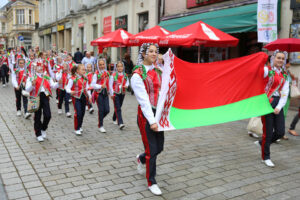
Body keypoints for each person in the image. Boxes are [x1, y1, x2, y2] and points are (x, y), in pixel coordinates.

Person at [131, 43, 164, 195]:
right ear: (143, 54)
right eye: (150, 51)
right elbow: (144, 101)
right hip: (146, 116)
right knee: (152, 150)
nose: (154, 54)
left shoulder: (158, 69)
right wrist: (152, 121)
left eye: (156, 52)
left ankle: (141, 158)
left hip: (158, 113)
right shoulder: (137, 75)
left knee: (159, 147)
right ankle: (152, 182)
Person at [254, 50, 289, 168]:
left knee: (280, 132)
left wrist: (279, 107)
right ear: (273, 58)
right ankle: (266, 157)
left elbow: (285, 92)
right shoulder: (266, 70)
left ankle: (261, 143)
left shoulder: (285, 74)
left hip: (278, 103)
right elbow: (255, 73)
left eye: (283, 58)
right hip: (266, 103)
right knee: (267, 133)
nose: (281, 60)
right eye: (278, 58)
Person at [25, 62, 59, 142]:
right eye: (38, 67)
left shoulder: (46, 77)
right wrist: (32, 85)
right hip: (35, 97)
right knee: (37, 116)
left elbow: (53, 85)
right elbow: (27, 89)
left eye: (41, 66)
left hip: (45, 96)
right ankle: (38, 133)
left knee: (48, 115)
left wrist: (58, 83)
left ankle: (43, 128)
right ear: (35, 68)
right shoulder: (31, 77)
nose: (40, 68)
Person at [66, 64, 92, 135]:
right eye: (83, 69)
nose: (84, 71)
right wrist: (71, 91)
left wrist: (89, 96)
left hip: (83, 97)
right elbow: (67, 88)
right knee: (78, 113)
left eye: (84, 69)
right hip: (76, 98)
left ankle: (80, 125)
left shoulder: (85, 78)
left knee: (82, 113)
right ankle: (76, 128)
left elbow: (87, 88)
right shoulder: (72, 78)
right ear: (77, 71)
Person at [91, 59, 110, 133]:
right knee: (101, 110)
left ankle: (100, 119)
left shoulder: (107, 73)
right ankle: (101, 125)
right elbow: (92, 85)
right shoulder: (96, 74)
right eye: (100, 65)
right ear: (98, 66)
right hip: (98, 93)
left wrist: (111, 92)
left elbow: (110, 82)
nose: (102, 66)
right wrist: (100, 86)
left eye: (103, 64)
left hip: (105, 93)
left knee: (107, 110)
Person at [109, 61, 129, 129]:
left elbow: (127, 82)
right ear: (116, 67)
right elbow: (110, 85)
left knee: (119, 106)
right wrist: (111, 94)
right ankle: (120, 122)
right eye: (118, 66)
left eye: (121, 66)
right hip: (116, 93)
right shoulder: (113, 75)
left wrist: (126, 85)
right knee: (118, 108)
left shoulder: (125, 75)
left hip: (122, 93)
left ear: (123, 67)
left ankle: (114, 117)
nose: (120, 68)